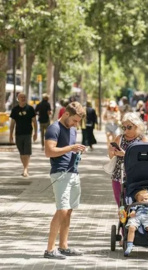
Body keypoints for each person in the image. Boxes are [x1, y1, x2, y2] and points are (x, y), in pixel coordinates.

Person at [43, 101, 86, 260]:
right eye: (75, 120)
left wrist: (77, 151)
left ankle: (63, 246)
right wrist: (71, 148)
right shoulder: (54, 128)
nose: (76, 124)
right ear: (66, 114)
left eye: (78, 121)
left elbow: (69, 147)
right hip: (60, 173)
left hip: (73, 172)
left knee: (68, 210)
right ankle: (49, 249)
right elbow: (49, 151)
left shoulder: (73, 128)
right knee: (61, 209)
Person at [109, 112, 148, 207]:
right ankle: (122, 221)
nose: (126, 130)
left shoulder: (143, 140)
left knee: (134, 204)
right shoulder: (119, 138)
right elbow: (111, 157)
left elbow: (144, 159)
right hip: (118, 175)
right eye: (123, 127)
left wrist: (125, 154)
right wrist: (112, 151)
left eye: (129, 127)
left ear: (136, 126)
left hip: (136, 177)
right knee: (121, 205)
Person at [9, 93, 38, 177]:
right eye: (21, 97)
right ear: (18, 99)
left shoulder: (30, 109)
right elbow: (12, 123)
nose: (23, 98)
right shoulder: (15, 110)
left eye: (24, 97)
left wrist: (35, 133)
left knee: (27, 152)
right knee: (22, 153)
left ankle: (25, 169)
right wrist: (10, 135)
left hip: (28, 133)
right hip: (18, 134)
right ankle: (25, 167)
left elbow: (34, 122)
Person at [124, 189, 148, 257]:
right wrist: (132, 213)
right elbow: (133, 211)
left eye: (146, 199)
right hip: (137, 217)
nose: (144, 201)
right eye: (141, 200)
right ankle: (129, 245)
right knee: (131, 227)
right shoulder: (137, 205)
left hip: (147, 217)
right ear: (138, 201)